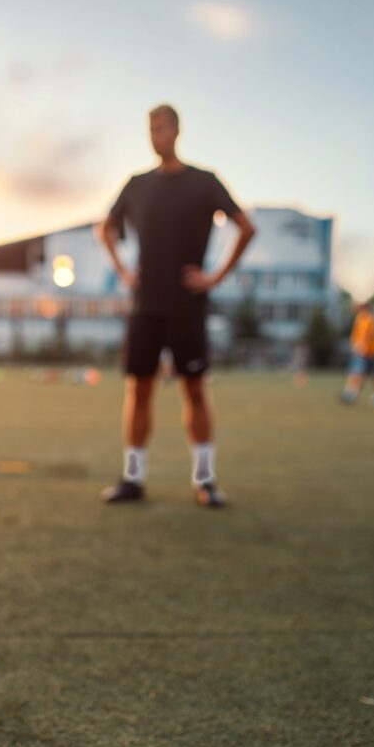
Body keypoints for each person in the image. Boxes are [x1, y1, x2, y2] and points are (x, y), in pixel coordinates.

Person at [96, 104, 256, 506]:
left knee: (195, 389)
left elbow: (246, 227)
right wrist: (123, 270)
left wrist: (215, 276)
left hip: (187, 303)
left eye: (162, 127)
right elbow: (105, 229)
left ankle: (204, 479)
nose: (155, 134)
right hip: (145, 303)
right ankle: (133, 478)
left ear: (177, 131)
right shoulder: (136, 185)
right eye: (150, 128)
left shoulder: (203, 182)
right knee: (139, 389)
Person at [340, 299, 374, 408]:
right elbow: (356, 334)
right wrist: (355, 346)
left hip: (371, 352)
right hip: (362, 352)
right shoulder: (360, 318)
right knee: (357, 372)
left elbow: (369, 335)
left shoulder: (370, 318)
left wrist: (362, 348)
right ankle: (351, 393)